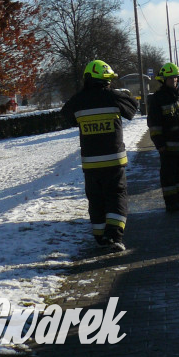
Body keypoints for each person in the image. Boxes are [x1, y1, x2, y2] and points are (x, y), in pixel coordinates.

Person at [61, 59, 137, 251]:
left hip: (91, 165)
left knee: (96, 199)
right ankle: (114, 236)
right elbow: (133, 108)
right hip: (114, 161)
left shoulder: (78, 101)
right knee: (116, 196)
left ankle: (100, 235)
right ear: (105, 80)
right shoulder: (113, 97)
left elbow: (65, 117)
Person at [147, 62, 179, 212]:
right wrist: (159, 143)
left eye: (176, 78)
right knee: (169, 174)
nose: (174, 81)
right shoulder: (158, 98)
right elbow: (154, 124)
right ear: (163, 80)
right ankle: (171, 202)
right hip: (167, 144)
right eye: (170, 78)